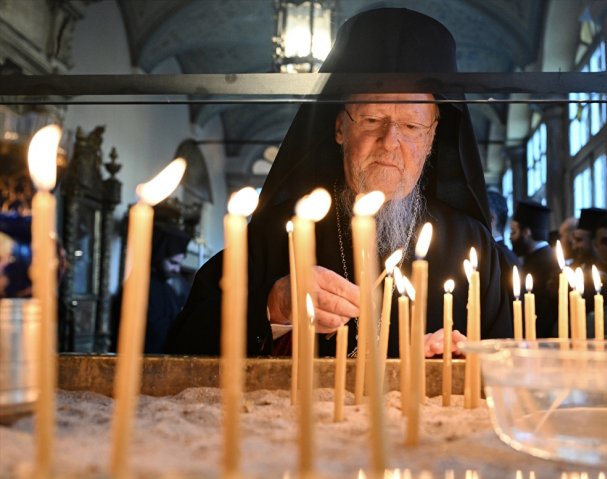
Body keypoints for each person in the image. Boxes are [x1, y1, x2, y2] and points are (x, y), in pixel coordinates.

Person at [166, 8, 512, 357]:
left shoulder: (472, 245)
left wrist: (468, 360)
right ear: (340, 128)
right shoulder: (277, 231)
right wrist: (273, 307)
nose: (390, 142)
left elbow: (512, 362)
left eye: (411, 126)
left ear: (433, 137)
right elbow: (182, 346)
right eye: (372, 119)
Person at [111, 224, 190, 353]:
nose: (177, 270)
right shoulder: (138, 285)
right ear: (158, 256)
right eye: (172, 263)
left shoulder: (167, 288)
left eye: (179, 264)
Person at [510, 200, 559, 337]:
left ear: (526, 232)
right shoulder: (535, 258)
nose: (510, 237)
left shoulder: (545, 262)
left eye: (513, 232)